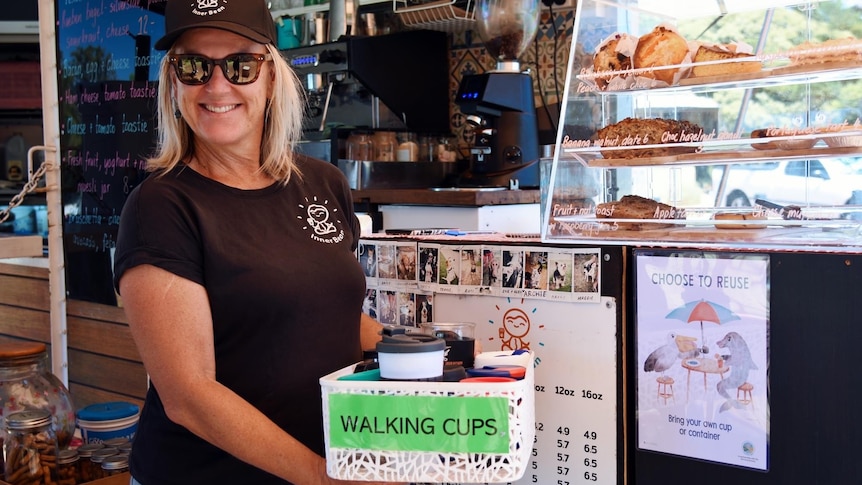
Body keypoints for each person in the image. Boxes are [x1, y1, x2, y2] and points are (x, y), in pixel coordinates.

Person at [112, 1, 397, 483]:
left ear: (270, 78)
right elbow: (189, 396)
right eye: (194, 66)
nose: (217, 85)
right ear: (174, 82)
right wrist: (320, 476)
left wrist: (425, 353)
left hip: (328, 462)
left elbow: (327, 315)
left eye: (240, 65)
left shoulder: (323, 182)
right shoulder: (160, 207)